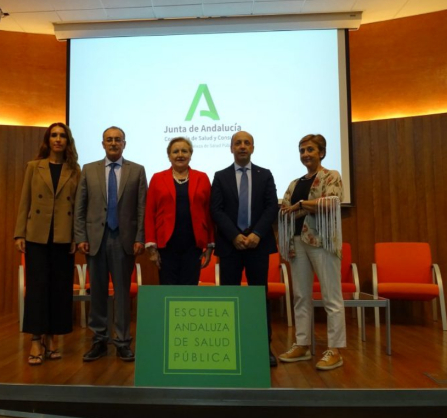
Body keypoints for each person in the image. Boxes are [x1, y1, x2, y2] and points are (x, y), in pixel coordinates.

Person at [74, 126, 147, 362]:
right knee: (97, 292)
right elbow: (80, 207)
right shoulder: (88, 169)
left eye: (118, 140)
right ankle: (99, 340)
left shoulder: (136, 170)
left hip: (124, 240)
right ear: (102, 144)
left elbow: (141, 208)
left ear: (124, 144)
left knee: (122, 294)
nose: (113, 143)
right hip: (95, 239)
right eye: (109, 140)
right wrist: (81, 237)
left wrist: (139, 237)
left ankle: (123, 341)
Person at [210, 130, 280, 367]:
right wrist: (235, 236)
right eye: (237, 143)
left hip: (257, 246)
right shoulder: (220, 176)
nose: (242, 146)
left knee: (259, 297)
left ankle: (263, 346)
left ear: (253, 148)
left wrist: (256, 233)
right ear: (231, 148)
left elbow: (272, 207)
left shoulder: (265, 174)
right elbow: (216, 210)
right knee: (229, 298)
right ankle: (228, 344)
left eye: (246, 143)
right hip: (231, 247)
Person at [13, 122, 80, 366]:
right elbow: (25, 201)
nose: (58, 139)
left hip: (63, 237)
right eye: (54, 135)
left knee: (59, 289)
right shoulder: (34, 167)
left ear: (68, 141)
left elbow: (77, 207)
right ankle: (35, 339)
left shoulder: (74, 169)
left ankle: (51, 340)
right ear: (47, 140)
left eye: (62, 135)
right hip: (37, 236)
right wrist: (19, 233)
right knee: (37, 288)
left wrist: (76, 237)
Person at [278, 133, 345, 371]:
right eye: (302, 150)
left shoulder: (331, 176)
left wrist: (300, 206)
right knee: (301, 297)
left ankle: (335, 350)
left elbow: (332, 201)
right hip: (296, 242)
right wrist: (302, 207)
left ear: (321, 153)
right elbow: (285, 208)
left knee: (331, 297)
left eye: (310, 150)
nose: (306, 154)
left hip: (322, 242)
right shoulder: (295, 183)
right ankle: (302, 344)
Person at [145, 137, 214, 285]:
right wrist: (151, 247)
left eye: (184, 151)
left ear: (191, 154)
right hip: (166, 246)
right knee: (168, 291)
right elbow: (150, 213)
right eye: (175, 151)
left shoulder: (202, 177)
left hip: (193, 245)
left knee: (189, 290)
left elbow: (208, 213)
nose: (180, 154)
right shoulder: (157, 178)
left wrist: (209, 245)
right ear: (169, 155)